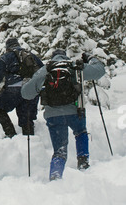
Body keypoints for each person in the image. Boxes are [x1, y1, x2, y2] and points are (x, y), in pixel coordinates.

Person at [21, 49, 106, 181]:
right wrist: (90, 58)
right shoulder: (74, 67)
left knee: (60, 149)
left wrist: (27, 81)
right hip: (75, 112)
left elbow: (26, 94)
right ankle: (83, 163)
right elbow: (100, 70)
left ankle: (55, 176)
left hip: (53, 115)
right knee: (81, 132)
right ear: (65, 56)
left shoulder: (45, 70)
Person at [0, 38, 43, 138]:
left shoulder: (5, 57)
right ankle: (30, 141)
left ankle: (11, 135)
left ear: (7, 47)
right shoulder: (31, 56)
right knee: (26, 117)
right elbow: (42, 72)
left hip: (14, 89)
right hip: (30, 89)